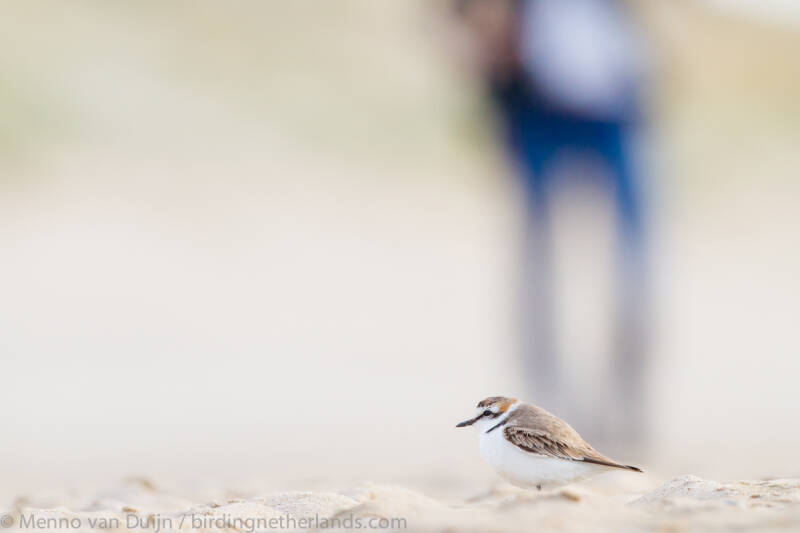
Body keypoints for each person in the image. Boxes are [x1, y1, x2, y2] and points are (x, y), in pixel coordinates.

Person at [456, 0, 651, 448]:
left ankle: (623, 409)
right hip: (535, 105)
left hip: (613, 103)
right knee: (542, 268)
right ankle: (549, 411)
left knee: (627, 272)